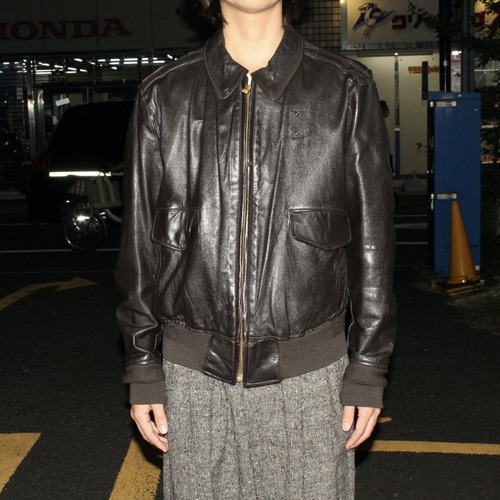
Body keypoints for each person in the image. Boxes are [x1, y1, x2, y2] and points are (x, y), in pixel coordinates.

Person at [115, 0, 396, 498]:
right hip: (192, 375)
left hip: (310, 374)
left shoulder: (345, 87)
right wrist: (142, 364)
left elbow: (373, 243)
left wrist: (368, 365)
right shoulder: (164, 92)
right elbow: (139, 243)